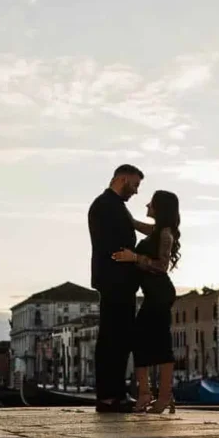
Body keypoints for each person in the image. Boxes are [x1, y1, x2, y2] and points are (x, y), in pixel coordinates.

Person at [112, 189, 180, 415]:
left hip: (161, 294)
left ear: (160, 207)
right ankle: (147, 394)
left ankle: (161, 396)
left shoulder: (165, 234)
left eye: (151, 202)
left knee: (160, 343)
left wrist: (135, 258)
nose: (147, 205)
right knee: (139, 340)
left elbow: (162, 266)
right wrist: (119, 209)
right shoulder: (156, 230)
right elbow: (134, 223)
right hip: (153, 295)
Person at [87, 164, 143, 414]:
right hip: (114, 279)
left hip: (120, 280)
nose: (137, 191)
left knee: (121, 338)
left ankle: (115, 394)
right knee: (112, 338)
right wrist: (129, 256)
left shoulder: (114, 206)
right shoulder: (104, 205)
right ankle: (109, 396)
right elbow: (108, 243)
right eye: (135, 185)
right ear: (122, 179)